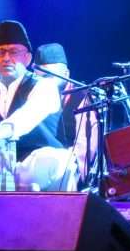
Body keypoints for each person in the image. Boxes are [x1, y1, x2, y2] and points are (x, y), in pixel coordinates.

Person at [0, 21, 75, 191]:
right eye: (1, 52)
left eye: (14, 52)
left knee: (41, 164)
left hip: (44, 169)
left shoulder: (43, 86)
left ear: (27, 58)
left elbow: (26, 117)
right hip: (2, 171)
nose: (6, 58)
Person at [35, 42, 99, 183]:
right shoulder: (32, 98)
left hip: (67, 171)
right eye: (38, 76)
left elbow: (85, 145)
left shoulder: (81, 96)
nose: (42, 81)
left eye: (48, 76)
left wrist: (71, 173)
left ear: (66, 74)